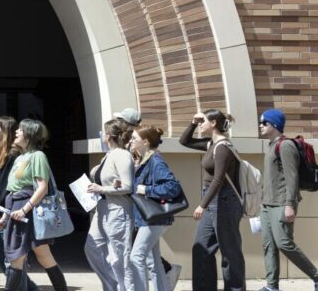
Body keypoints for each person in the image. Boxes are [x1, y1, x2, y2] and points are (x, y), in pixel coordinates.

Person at [0, 118, 68, 291]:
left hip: (28, 212)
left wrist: (24, 209)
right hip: (17, 210)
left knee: (20, 258)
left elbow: (42, 187)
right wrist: (6, 216)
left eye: (20, 130)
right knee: (40, 257)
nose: (17, 132)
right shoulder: (21, 157)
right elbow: (13, 192)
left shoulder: (37, 156)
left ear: (29, 134)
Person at [179, 109, 244, 291]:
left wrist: (202, 205)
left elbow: (218, 179)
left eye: (203, 121)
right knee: (201, 248)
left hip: (224, 201)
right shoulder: (211, 144)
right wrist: (193, 122)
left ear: (213, 123)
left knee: (230, 252)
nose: (200, 124)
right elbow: (184, 141)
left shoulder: (223, 147)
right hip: (212, 200)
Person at [257, 109, 318, 291]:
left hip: (282, 203)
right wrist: (262, 201)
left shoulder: (285, 146)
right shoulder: (271, 145)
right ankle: (271, 286)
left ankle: (315, 275)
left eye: (264, 123)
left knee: (284, 243)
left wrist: (290, 205)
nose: (261, 125)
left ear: (274, 125)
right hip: (267, 204)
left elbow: (292, 178)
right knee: (268, 245)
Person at [0, 116, 36, 291]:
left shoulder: (13, 155)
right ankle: (28, 287)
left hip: (9, 210)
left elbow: (4, 186)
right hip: (2, 209)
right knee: (2, 251)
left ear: (4, 131)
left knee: (6, 253)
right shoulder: (4, 154)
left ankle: (24, 287)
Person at [84, 118, 135, 291]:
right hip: (103, 209)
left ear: (107, 136)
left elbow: (128, 187)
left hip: (117, 210)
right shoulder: (109, 155)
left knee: (120, 257)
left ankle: (124, 288)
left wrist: (101, 188)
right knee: (92, 247)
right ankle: (112, 286)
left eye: (102, 133)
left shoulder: (122, 155)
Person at [129, 125, 181, 291]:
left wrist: (147, 189)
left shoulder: (155, 161)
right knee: (153, 260)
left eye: (134, 139)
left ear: (145, 142)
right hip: (148, 218)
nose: (131, 141)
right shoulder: (145, 160)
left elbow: (173, 187)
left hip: (153, 218)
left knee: (136, 256)